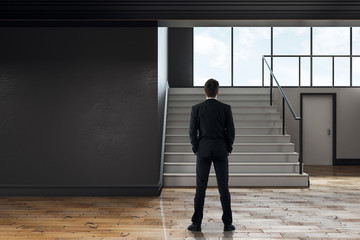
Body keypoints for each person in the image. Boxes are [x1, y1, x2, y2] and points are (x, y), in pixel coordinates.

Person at [187, 78, 235, 232]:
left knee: (200, 187)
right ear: (218, 91)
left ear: (204, 91)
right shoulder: (225, 108)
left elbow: (192, 132)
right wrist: (228, 147)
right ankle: (228, 223)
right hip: (221, 150)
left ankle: (196, 223)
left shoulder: (197, 108)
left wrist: (196, 148)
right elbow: (231, 131)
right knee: (223, 187)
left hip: (203, 150)